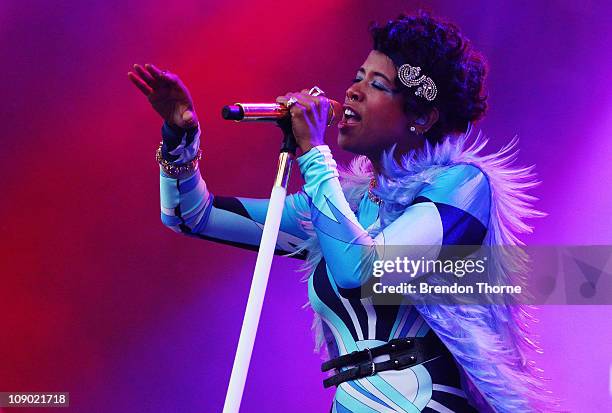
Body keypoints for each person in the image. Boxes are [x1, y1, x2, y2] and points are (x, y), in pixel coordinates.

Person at [129, 11, 553, 413]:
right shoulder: (341, 205)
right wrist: (179, 136)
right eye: (356, 79)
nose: (351, 92)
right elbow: (192, 215)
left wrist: (314, 155)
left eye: (378, 85)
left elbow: (363, 271)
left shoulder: (462, 187)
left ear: (421, 116)